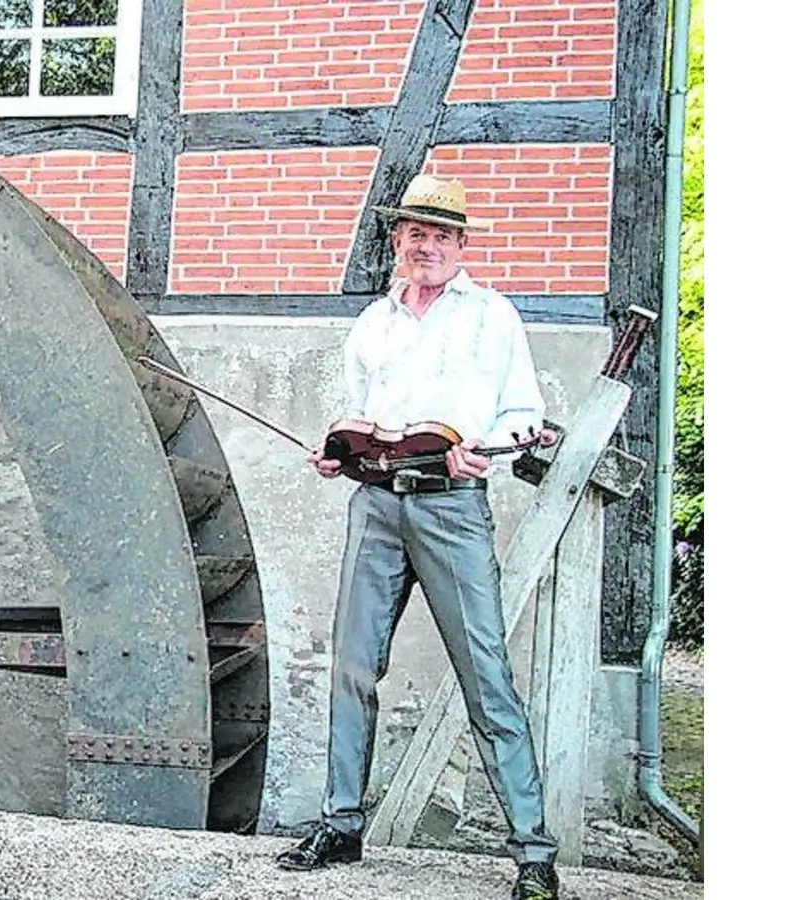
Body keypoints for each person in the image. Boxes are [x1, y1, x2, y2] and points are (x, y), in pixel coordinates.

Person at [274, 174, 561, 900]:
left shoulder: (491, 317)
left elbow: (525, 413)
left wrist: (486, 449)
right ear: (396, 241)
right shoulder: (374, 321)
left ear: (460, 245)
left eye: (441, 235)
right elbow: (364, 411)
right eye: (414, 233)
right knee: (352, 667)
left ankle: (533, 853)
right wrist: (337, 453)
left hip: (452, 507)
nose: (426, 246)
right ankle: (340, 824)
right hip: (375, 507)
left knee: (486, 677)